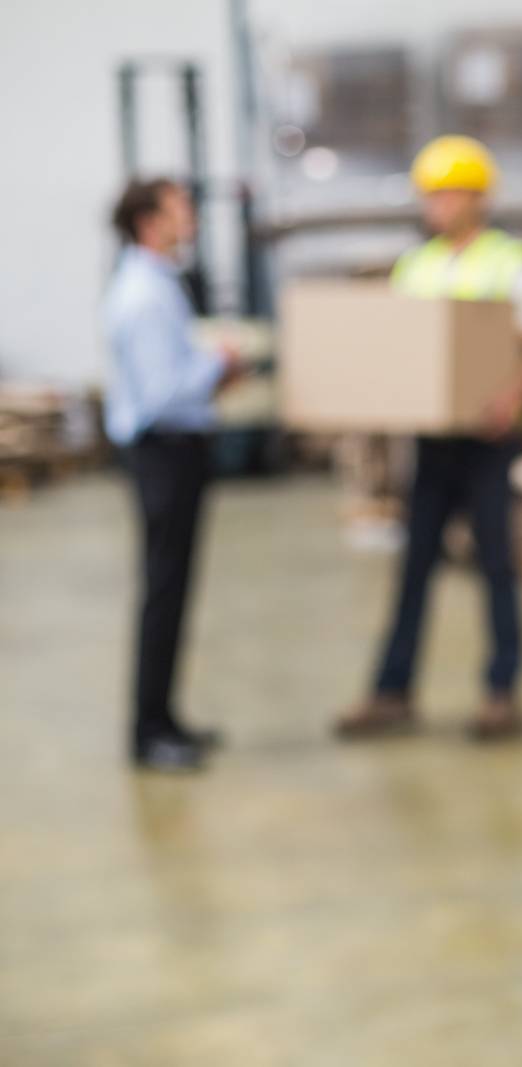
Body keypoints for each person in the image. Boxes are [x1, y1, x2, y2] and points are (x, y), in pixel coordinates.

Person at [336, 135, 522, 743]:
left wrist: (510, 400)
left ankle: (500, 691)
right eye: (430, 195)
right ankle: (390, 691)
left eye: (448, 192)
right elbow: (402, 350)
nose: (437, 205)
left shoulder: (512, 264)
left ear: (477, 197)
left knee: (495, 563)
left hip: (491, 438)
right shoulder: (417, 266)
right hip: (432, 442)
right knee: (414, 567)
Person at [104, 177, 246, 772]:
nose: (190, 217)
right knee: (163, 593)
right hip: (162, 452)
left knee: (175, 589)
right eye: (178, 208)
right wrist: (219, 364)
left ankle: (165, 717)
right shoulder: (142, 294)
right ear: (148, 221)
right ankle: (148, 733)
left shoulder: (161, 284)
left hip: (178, 447)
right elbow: (163, 392)